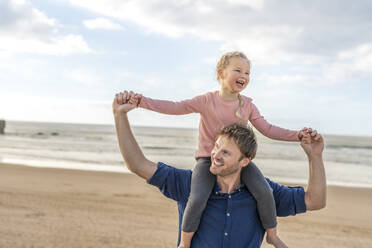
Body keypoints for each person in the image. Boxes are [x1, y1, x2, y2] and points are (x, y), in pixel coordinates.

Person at [126, 51, 311, 247]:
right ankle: (185, 242)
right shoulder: (207, 101)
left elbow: (268, 129)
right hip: (208, 160)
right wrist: (141, 102)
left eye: (248, 73)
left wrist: (297, 136)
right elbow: (174, 107)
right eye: (238, 70)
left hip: (238, 162)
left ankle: (272, 235)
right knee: (197, 198)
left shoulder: (247, 104)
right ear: (221, 73)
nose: (244, 76)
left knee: (264, 191)